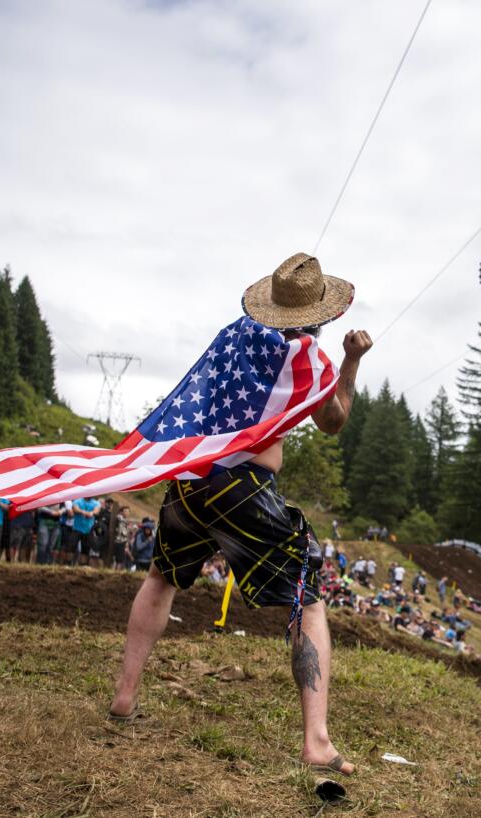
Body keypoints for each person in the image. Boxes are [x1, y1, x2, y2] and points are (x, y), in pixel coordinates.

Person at [110, 253, 371, 778]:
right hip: (244, 488)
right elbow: (333, 421)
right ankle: (317, 741)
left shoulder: (229, 343)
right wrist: (350, 361)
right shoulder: (309, 359)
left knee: (162, 577)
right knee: (308, 597)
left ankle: (124, 697)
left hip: (189, 479)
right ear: (320, 316)